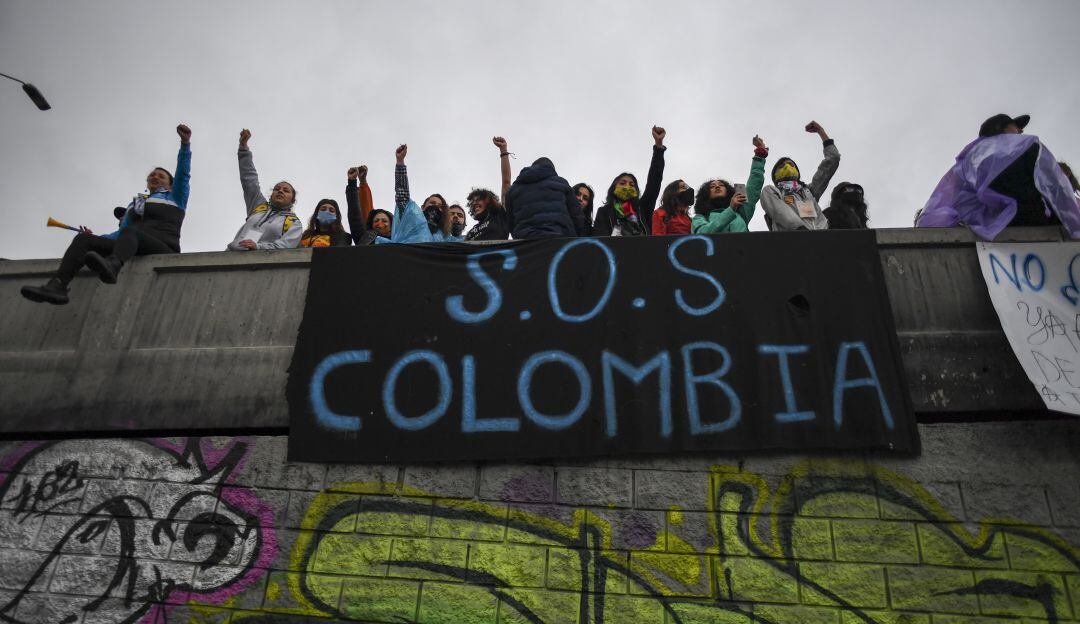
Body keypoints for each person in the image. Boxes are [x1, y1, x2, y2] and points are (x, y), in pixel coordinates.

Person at [21, 124, 193, 305]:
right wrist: (96, 238)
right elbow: (121, 232)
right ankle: (57, 286)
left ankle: (113, 266)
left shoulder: (176, 197)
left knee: (131, 233)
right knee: (83, 241)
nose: (155, 177)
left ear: (170, 185)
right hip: (131, 242)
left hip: (163, 246)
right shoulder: (137, 203)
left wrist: (185, 144)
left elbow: (183, 173)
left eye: (161, 176)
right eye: (152, 175)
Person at [916, 113, 1080, 239]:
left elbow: (955, 200)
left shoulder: (967, 163)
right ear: (1000, 129)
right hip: (1036, 216)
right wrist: (1075, 225)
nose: (1021, 131)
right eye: (1015, 126)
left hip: (994, 223)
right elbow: (1056, 186)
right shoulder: (1027, 145)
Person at [227, 129, 302, 251]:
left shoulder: (293, 223)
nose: (280, 191)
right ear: (271, 194)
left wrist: (258, 246)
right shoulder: (258, 206)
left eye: (286, 190)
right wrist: (243, 148)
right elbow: (249, 180)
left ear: (293, 200)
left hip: (262, 266)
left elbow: (286, 246)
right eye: (277, 189)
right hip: (231, 257)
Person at [759, 121, 840, 231]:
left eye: (791, 164)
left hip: (820, 239)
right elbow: (776, 209)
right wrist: (799, 228)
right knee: (766, 189)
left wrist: (821, 132)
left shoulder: (809, 191)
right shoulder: (773, 192)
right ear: (775, 175)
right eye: (781, 166)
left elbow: (832, 160)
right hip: (791, 240)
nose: (787, 166)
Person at [594, 126, 667, 236]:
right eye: (622, 183)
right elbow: (600, 238)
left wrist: (658, 145)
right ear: (614, 187)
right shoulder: (604, 211)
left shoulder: (642, 208)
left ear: (636, 190)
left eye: (632, 184)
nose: (627, 186)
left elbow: (654, 181)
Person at [384, 144, 462, 243]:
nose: (435, 208)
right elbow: (402, 195)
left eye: (440, 206)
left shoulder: (447, 238)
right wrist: (400, 162)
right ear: (422, 207)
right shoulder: (412, 221)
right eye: (432, 203)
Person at [691, 136, 770, 234]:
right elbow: (702, 234)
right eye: (712, 186)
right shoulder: (700, 217)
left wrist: (759, 155)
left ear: (729, 191)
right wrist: (731, 210)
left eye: (721, 185)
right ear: (705, 194)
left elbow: (754, 184)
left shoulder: (741, 212)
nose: (717, 186)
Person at [505, 157, 586, 239]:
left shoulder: (513, 190)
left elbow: (510, 223)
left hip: (526, 243)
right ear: (552, 169)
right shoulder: (561, 183)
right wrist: (574, 239)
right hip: (560, 240)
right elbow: (577, 216)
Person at [464, 137, 512, 241]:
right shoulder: (471, 231)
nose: (474, 203)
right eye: (472, 202)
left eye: (478, 199)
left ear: (489, 200)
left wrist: (503, 151)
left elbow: (506, 183)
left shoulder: (500, 215)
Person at [344, 165, 383, 245]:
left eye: (384, 221)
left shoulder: (399, 237)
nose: (380, 223)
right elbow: (357, 213)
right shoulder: (365, 237)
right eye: (376, 221)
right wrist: (353, 182)